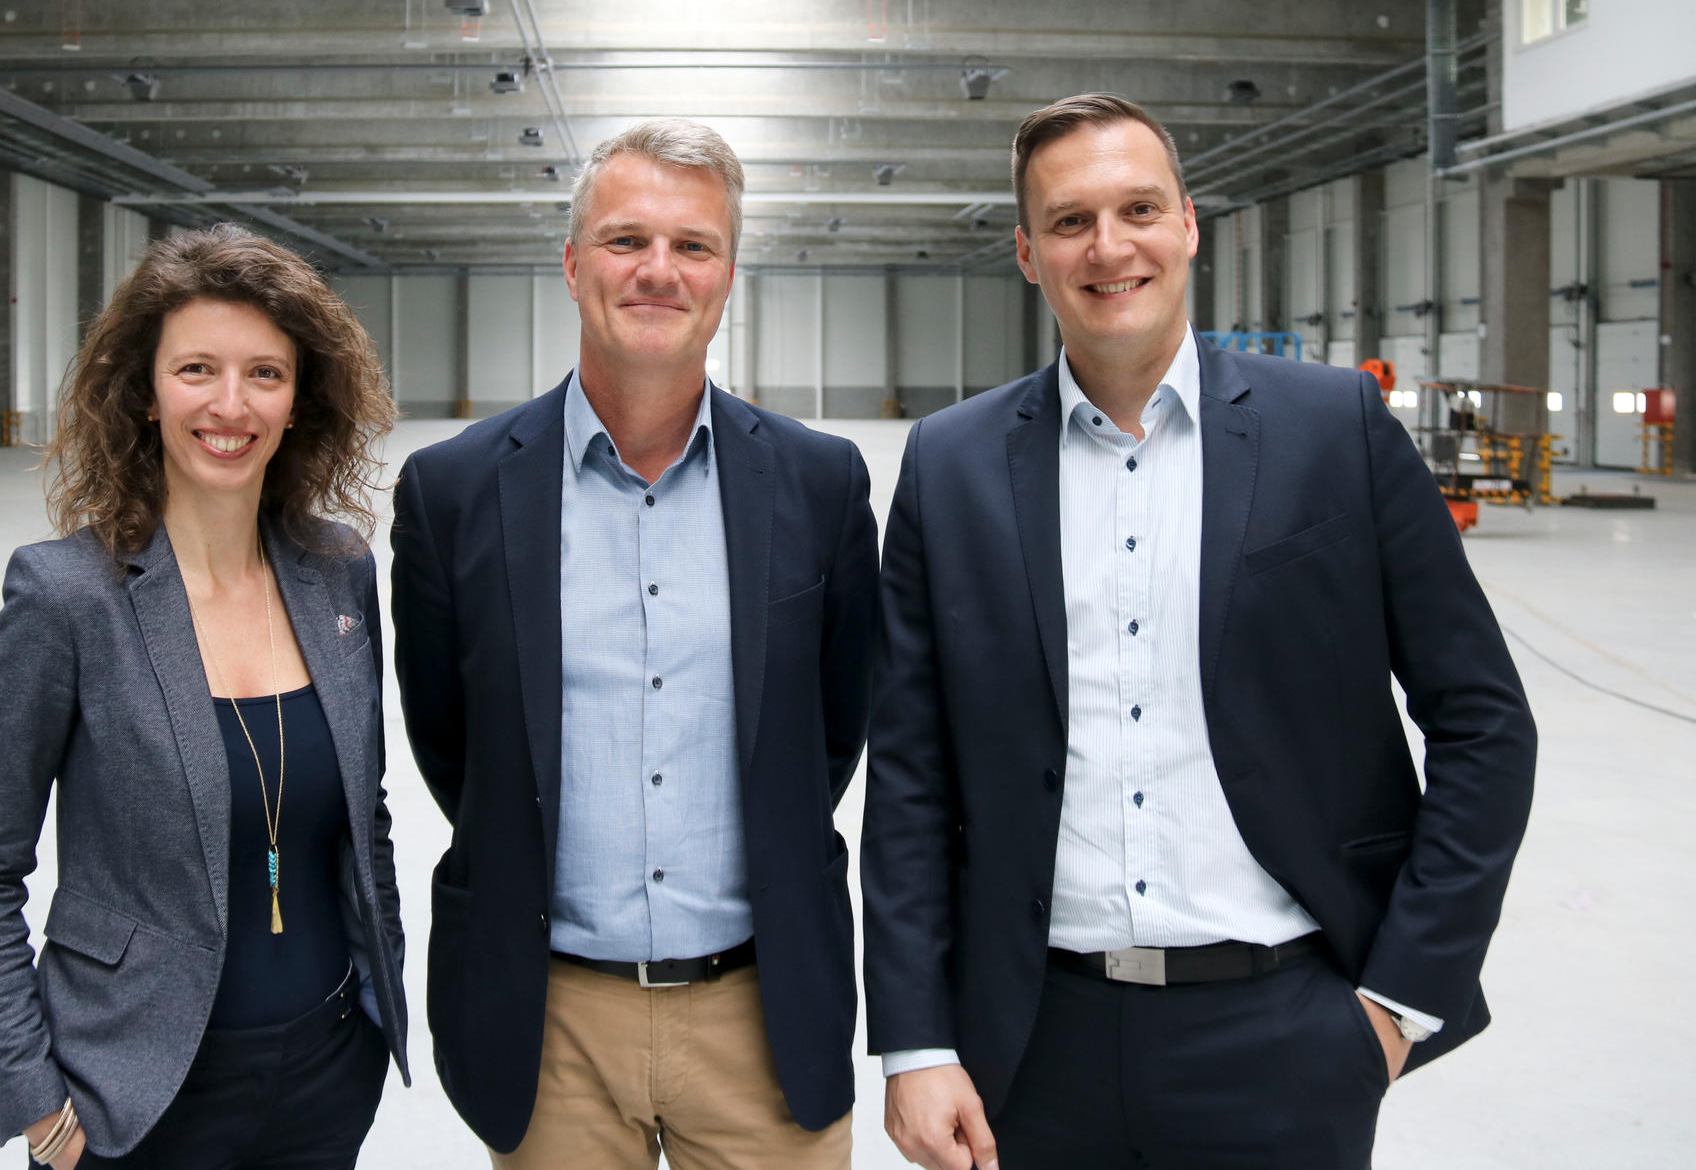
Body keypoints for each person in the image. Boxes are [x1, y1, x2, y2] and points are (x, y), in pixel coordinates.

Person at [862, 94, 1538, 1170]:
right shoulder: (950, 464)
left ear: (1188, 224)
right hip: (1033, 1043)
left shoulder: (1334, 431)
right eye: (1070, 220)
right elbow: (909, 775)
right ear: (1028, 253)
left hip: (1288, 1030)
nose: (1109, 245)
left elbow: (1485, 721)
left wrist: (1398, 1001)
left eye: (1137, 208)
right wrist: (915, 1037)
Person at [391, 118, 877, 1168]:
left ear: (727, 276)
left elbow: (831, 730)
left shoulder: (821, 483)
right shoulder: (455, 491)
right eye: (625, 240)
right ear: (573, 265)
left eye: (693, 245)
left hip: (762, 1018)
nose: (658, 269)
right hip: (552, 1023)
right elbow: (454, 741)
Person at [0, 224, 409, 1169]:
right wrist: (36, 1103)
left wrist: (372, 1009)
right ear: (146, 393)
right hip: (136, 1099)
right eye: (196, 369)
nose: (229, 404)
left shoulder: (338, 573)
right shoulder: (68, 597)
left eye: (264, 375)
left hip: (325, 1076)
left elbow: (366, 814)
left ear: (297, 399)